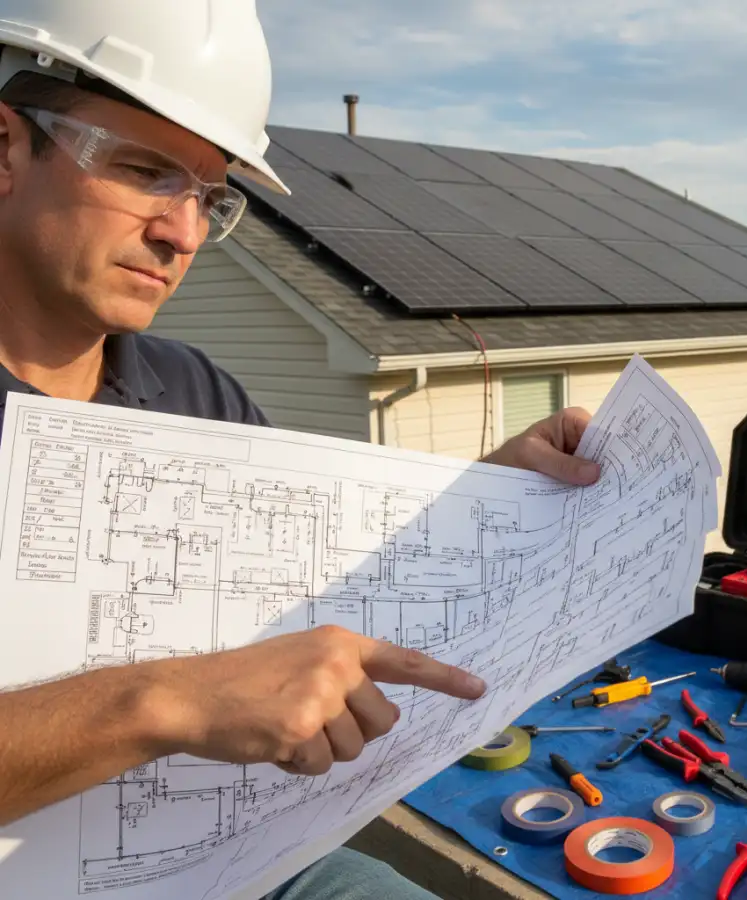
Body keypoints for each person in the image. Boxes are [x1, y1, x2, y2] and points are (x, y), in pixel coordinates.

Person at [0, 3, 601, 898]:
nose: (184, 233)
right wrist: (168, 702)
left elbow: (322, 595)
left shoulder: (193, 394)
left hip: (238, 863)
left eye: (208, 196)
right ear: (7, 150)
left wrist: (494, 500)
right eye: (143, 170)